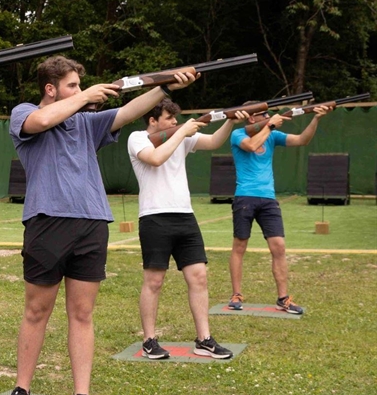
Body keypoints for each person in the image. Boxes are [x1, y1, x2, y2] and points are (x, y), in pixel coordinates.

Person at [0, 56, 197, 395]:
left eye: (79, 86)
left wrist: (164, 87)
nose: (79, 92)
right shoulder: (24, 113)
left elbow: (129, 109)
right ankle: (22, 389)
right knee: (36, 310)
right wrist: (84, 95)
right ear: (50, 88)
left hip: (92, 223)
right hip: (47, 221)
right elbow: (41, 120)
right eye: (72, 86)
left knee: (83, 313)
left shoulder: (87, 124)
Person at [127, 98, 238, 360]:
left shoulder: (180, 137)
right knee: (154, 281)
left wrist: (231, 119)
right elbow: (155, 159)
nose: (175, 122)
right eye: (169, 118)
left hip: (185, 216)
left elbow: (213, 142)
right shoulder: (137, 138)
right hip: (154, 217)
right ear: (153, 120)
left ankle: (204, 339)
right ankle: (149, 340)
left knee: (199, 276)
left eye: (176, 119)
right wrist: (181, 133)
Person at [227, 104, 333, 314]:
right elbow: (250, 145)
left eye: (268, 115)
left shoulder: (272, 134)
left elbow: (302, 140)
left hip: (268, 198)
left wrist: (316, 119)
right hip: (245, 196)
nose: (268, 117)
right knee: (240, 246)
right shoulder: (238, 134)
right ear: (251, 119)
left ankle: (283, 298)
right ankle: (236, 294)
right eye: (263, 115)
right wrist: (271, 125)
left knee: (279, 247)